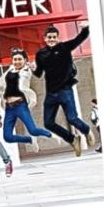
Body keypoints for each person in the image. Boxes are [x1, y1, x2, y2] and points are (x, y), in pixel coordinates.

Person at [32, 22, 95, 156]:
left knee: (72, 118)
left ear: (57, 38)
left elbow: (81, 38)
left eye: (54, 37)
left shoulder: (65, 47)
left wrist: (86, 28)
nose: (51, 39)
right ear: (45, 38)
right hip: (50, 94)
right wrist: (33, 69)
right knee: (48, 123)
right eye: (49, 37)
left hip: (65, 90)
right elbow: (38, 73)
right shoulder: (40, 54)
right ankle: (72, 139)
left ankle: (87, 130)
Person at [0, 48, 52, 153]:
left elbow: (35, 68)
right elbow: (0, 85)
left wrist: (34, 66)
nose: (17, 62)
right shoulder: (10, 70)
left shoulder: (26, 71)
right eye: (15, 59)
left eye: (19, 59)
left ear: (25, 60)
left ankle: (51, 135)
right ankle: (29, 140)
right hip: (9, 108)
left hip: (20, 105)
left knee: (33, 130)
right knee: (7, 137)